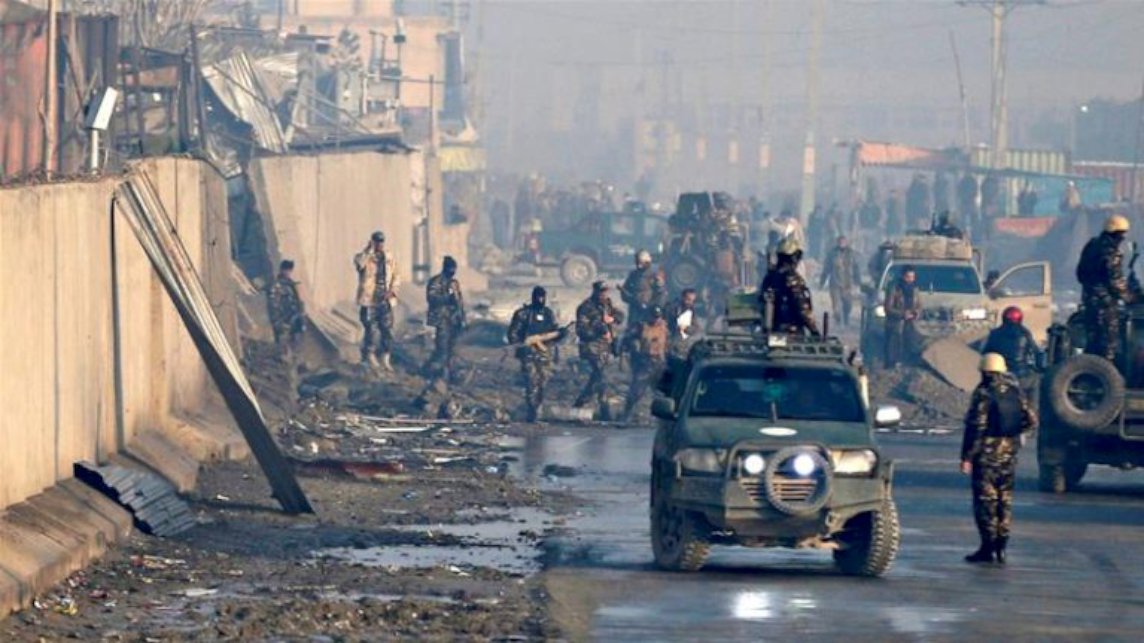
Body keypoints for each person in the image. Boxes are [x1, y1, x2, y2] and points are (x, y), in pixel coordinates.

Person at [960, 353, 1038, 564]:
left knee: (986, 503)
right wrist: (1013, 435)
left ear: (984, 372)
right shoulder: (1015, 391)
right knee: (1005, 501)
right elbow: (1032, 420)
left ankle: (987, 548)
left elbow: (977, 427)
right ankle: (1001, 548)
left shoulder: (983, 394)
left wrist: (967, 456)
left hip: (986, 456)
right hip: (1009, 456)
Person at [1076, 214, 1134, 361]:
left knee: (1092, 341)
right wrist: (1130, 297)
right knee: (1108, 344)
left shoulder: (1091, 245)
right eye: (1122, 234)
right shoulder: (1110, 252)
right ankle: (1105, 370)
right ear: (1116, 233)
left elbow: (1080, 273)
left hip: (1089, 300)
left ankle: (1090, 368)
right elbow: (1115, 281)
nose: (1123, 238)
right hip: (1105, 304)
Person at [507, 286, 564, 422]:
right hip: (528, 354)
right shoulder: (523, 314)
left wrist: (560, 334)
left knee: (542, 382)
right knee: (531, 382)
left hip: (544, 353)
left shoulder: (548, 313)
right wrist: (524, 343)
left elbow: (554, 332)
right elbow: (513, 334)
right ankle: (532, 412)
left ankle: (537, 407)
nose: (540, 300)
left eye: (543, 297)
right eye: (538, 296)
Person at [574, 281, 625, 417]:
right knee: (602, 376)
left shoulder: (607, 305)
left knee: (597, 377)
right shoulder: (586, 307)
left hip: (605, 347)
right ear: (596, 291)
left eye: (606, 291)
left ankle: (581, 401)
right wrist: (599, 327)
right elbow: (581, 330)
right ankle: (605, 409)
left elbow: (620, 316)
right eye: (602, 292)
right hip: (591, 346)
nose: (604, 294)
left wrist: (611, 319)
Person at [354, 231, 399, 371]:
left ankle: (385, 357)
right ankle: (369, 355)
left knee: (387, 330)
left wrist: (392, 291)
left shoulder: (389, 257)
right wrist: (368, 251)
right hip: (369, 300)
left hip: (385, 300)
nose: (379, 244)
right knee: (371, 329)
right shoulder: (365, 257)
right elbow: (359, 264)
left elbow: (396, 275)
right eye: (377, 242)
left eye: (381, 242)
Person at [982, 306, 1043, 409]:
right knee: (1035, 382)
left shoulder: (995, 334)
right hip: (1022, 376)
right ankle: (1033, 411)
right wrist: (1039, 367)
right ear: (1020, 318)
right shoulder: (1025, 333)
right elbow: (1036, 353)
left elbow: (985, 352)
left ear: (1003, 318)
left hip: (999, 376)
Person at [759, 238, 819, 336]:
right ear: (794, 258)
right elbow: (802, 309)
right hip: (792, 333)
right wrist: (814, 331)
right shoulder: (792, 279)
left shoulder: (770, 277)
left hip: (772, 332)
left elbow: (761, 299)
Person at [623, 306, 668, 421]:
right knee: (636, 390)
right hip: (645, 361)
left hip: (660, 362)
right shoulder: (640, 326)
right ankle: (626, 416)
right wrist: (634, 345)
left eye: (658, 317)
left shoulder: (664, 326)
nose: (656, 320)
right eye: (654, 317)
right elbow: (627, 338)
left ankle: (662, 418)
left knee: (662, 392)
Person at [424, 256, 466, 381]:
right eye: (451, 268)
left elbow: (459, 302)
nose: (453, 271)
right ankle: (434, 372)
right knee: (442, 348)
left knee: (452, 349)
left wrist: (462, 317)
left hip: (454, 320)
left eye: (454, 269)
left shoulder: (454, 283)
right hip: (441, 319)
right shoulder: (436, 282)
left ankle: (449, 372)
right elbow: (431, 298)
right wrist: (447, 298)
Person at [619, 249, 666, 354]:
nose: (639, 265)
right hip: (635, 313)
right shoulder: (633, 275)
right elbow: (625, 292)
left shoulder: (654, 275)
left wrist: (657, 307)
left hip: (649, 312)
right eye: (637, 263)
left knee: (649, 339)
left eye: (641, 263)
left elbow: (661, 293)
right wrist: (629, 298)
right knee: (632, 338)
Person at [819, 236, 862, 327]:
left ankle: (846, 318)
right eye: (840, 242)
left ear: (846, 242)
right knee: (836, 307)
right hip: (835, 284)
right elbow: (826, 269)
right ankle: (838, 320)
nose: (841, 243)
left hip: (848, 284)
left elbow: (856, 268)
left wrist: (858, 282)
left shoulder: (851, 254)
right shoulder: (832, 254)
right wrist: (822, 282)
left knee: (848, 305)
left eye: (843, 241)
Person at [884, 266, 921, 368]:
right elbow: (888, 308)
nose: (910, 279)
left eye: (912, 277)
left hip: (910, 323)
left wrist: (916, 313)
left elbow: (919, 305)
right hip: (896, 324)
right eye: (908, 277)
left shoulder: (915, 289)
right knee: (894, 347)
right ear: (903, 276)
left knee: (910, 345)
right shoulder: (894, 288)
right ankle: (891, 365)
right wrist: (902, 314)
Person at [266, 259, 306, 354]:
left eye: (290, 270)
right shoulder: (277, 286)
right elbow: (273, 305)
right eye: (287, 270)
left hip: (293, 320)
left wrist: (301, 313)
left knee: (294, 344)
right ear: (282, 270)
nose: (288, 272)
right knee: (283, 346)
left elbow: (297, 301)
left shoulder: (291, 284)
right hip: (283, 321)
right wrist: (277, 321)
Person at [665, 288, 699, 358]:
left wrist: (688, 329)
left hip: (684, 344)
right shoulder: (673, 309)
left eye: (693, 301)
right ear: (683, 297)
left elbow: (695, 327)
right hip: (671, 342)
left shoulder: (691, 310)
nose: (690, 303)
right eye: (688, 299)